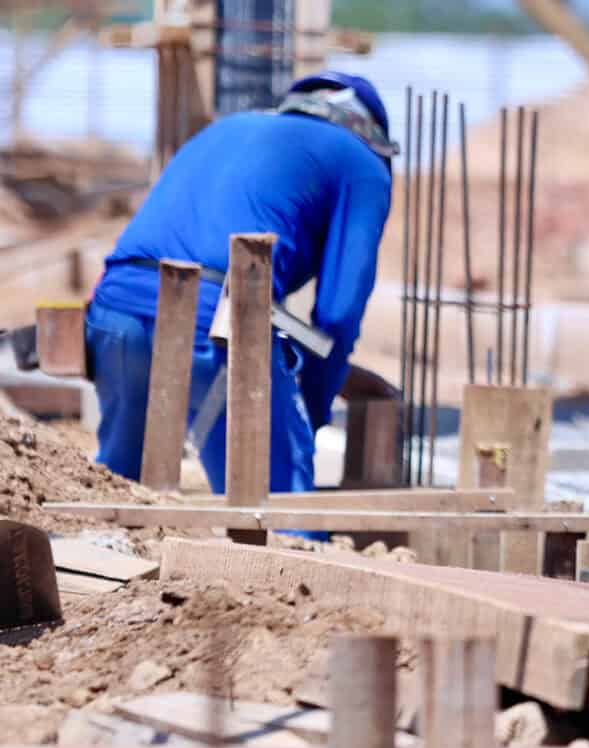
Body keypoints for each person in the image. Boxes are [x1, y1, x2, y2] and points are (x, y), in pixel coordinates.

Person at [86, 72, 397, 513]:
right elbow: (339, 312)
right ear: (372, 134)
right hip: (215, 325)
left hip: (114, 309)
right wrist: (310, 409)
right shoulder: (361, 164)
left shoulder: (223, 129)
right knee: (276, 512)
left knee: (118, 496)